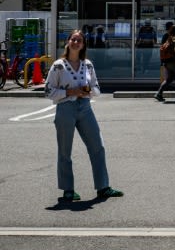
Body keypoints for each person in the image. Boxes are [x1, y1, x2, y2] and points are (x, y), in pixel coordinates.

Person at [44, 29, 124, 202]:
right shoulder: (58, 65)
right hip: (65, 108)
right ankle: (68, 190)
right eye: (73, 39)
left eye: (79, 40)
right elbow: (48, 91)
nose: (76, 42)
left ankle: (103, 186)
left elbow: (96, 88)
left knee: (98, 146)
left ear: (83, 45)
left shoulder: (87, 64)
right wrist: (71, 91)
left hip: (85, 108)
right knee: (65, 151)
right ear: (67, 42)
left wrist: (86, 91)